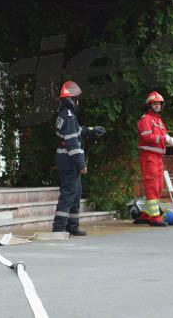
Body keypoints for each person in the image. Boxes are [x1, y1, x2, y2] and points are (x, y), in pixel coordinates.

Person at [52, 81, 105, 236]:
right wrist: (82, 164)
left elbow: (77, 131)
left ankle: (72, 226)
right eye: (76, 98)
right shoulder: (68, 117)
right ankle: (59, 228)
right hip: (69, 160)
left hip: (66, 159)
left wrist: (91, 130)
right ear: (70, 100)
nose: (78, 102)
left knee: (76, 193)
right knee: (69, 194)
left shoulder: (66, 116)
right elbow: (72, 144)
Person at [135, 91, 173, 227]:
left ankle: (145, 215)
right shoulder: (146, 119)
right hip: (149, 156)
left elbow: (163, 134)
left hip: (157, 157)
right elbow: (146, 137)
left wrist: (169, 139)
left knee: (157, 187)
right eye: (155, 103)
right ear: (149, 105)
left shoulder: (158, 120)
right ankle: (155, 218)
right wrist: (165, 138)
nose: (157, 105)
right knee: (152, 186)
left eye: (159, 103)